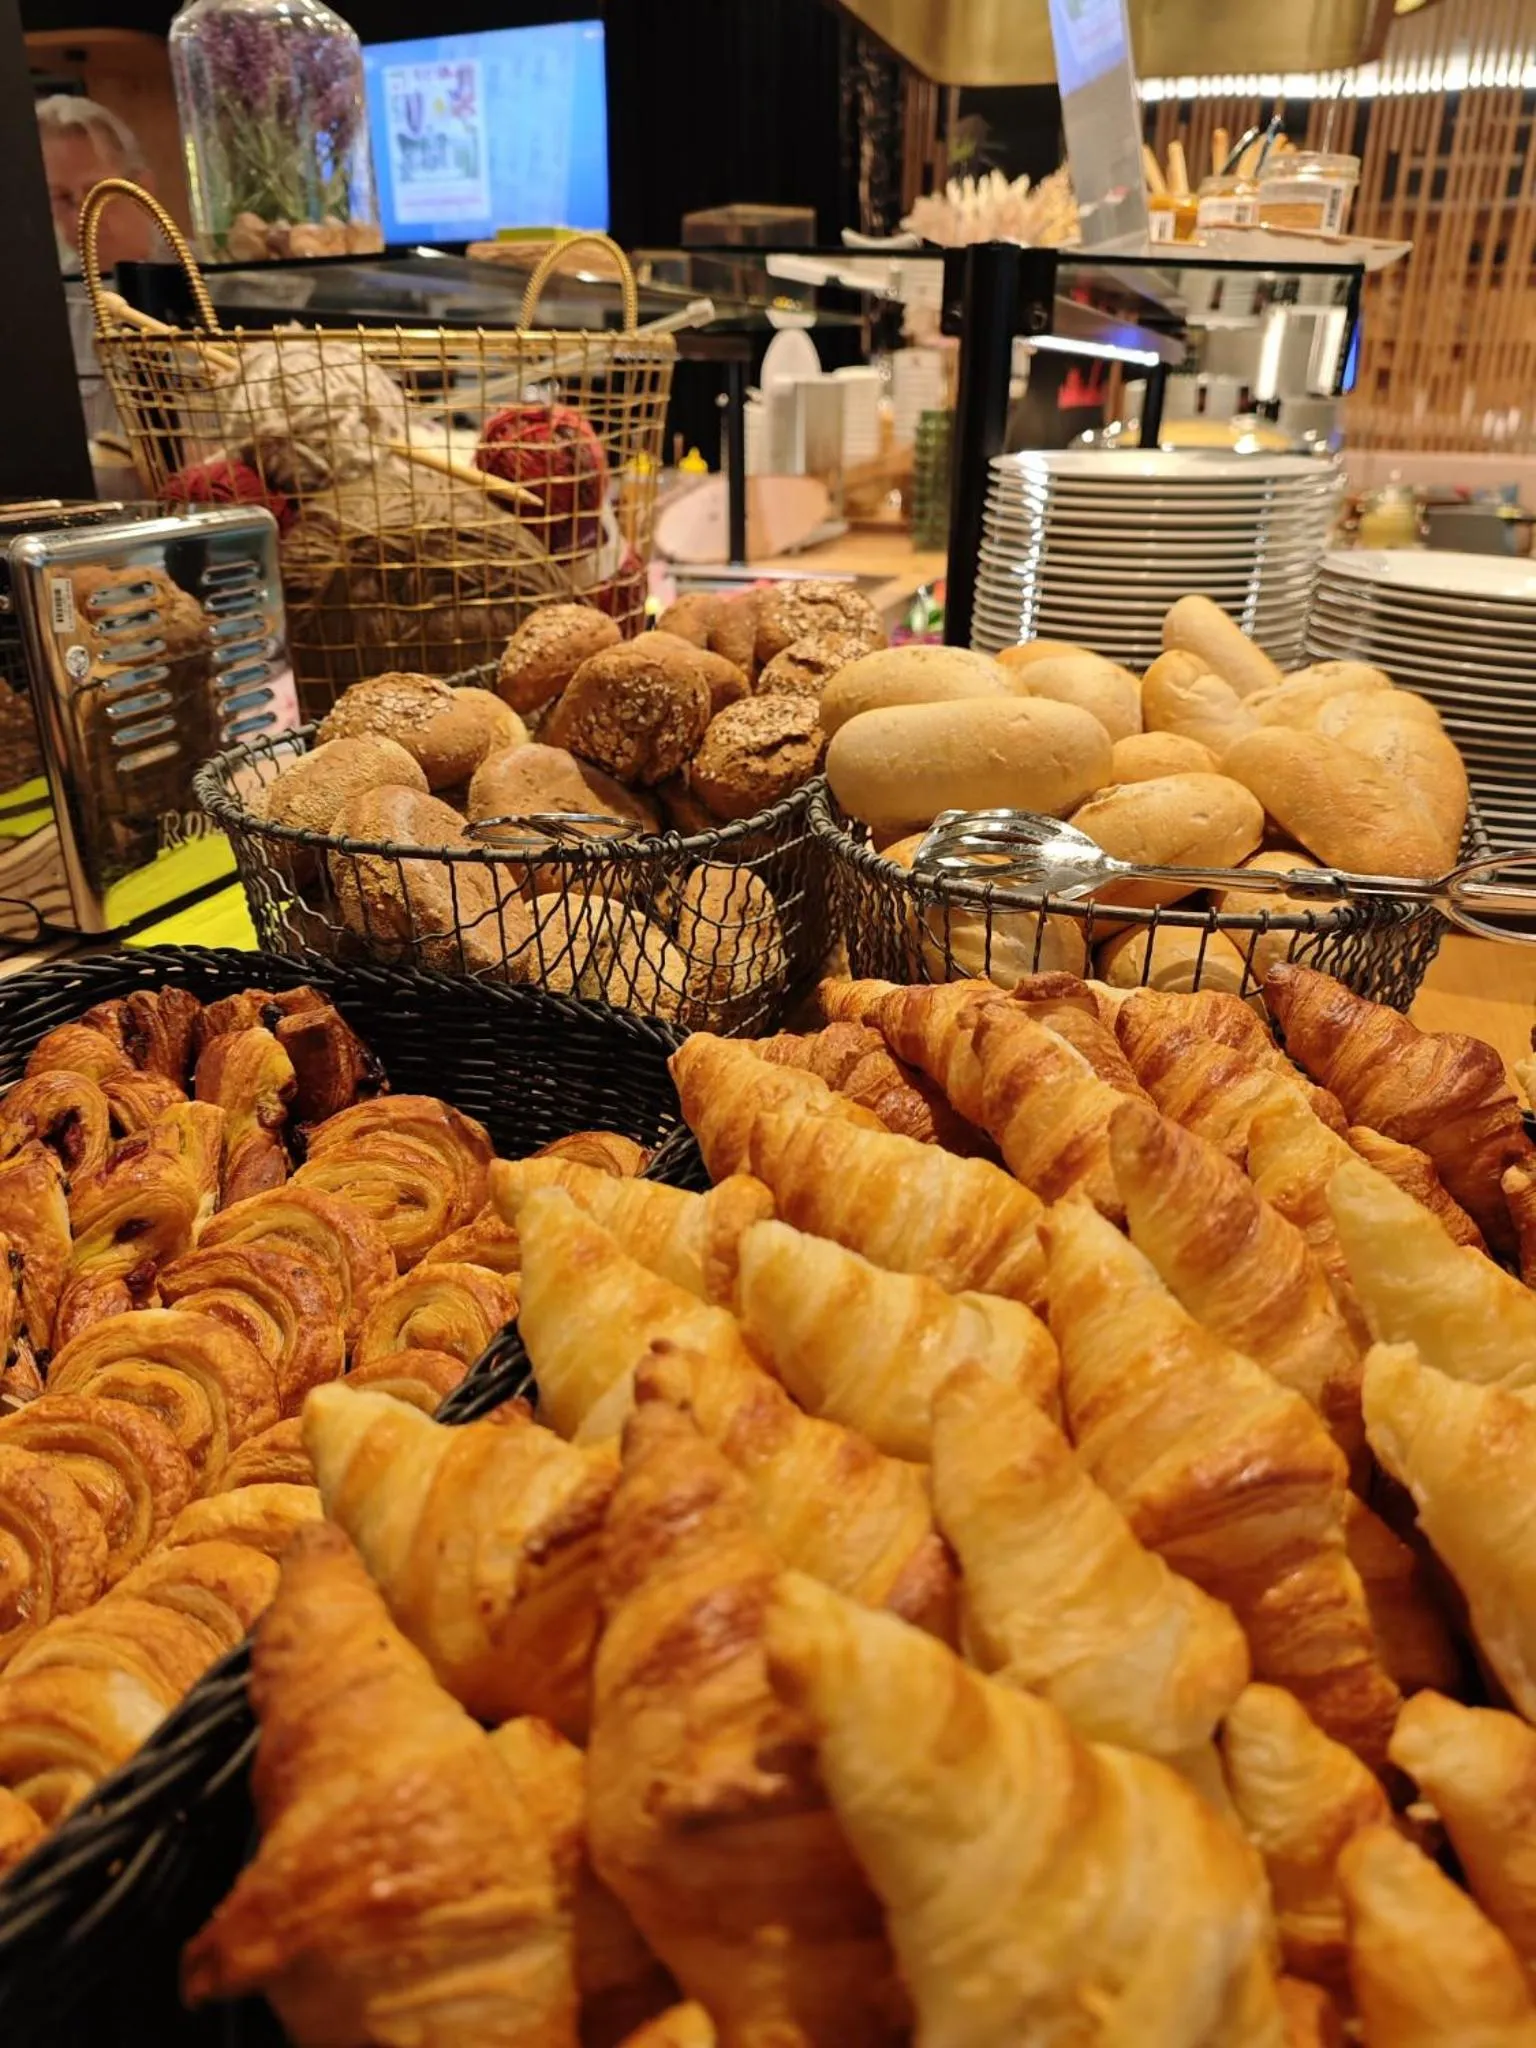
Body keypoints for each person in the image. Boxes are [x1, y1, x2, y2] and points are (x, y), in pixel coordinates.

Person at [35, 93, 159, 274]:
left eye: (97, 193)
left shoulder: (208, 280)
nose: (80, 219)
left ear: (143, 189)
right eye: (62, 198)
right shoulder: (50, 293)